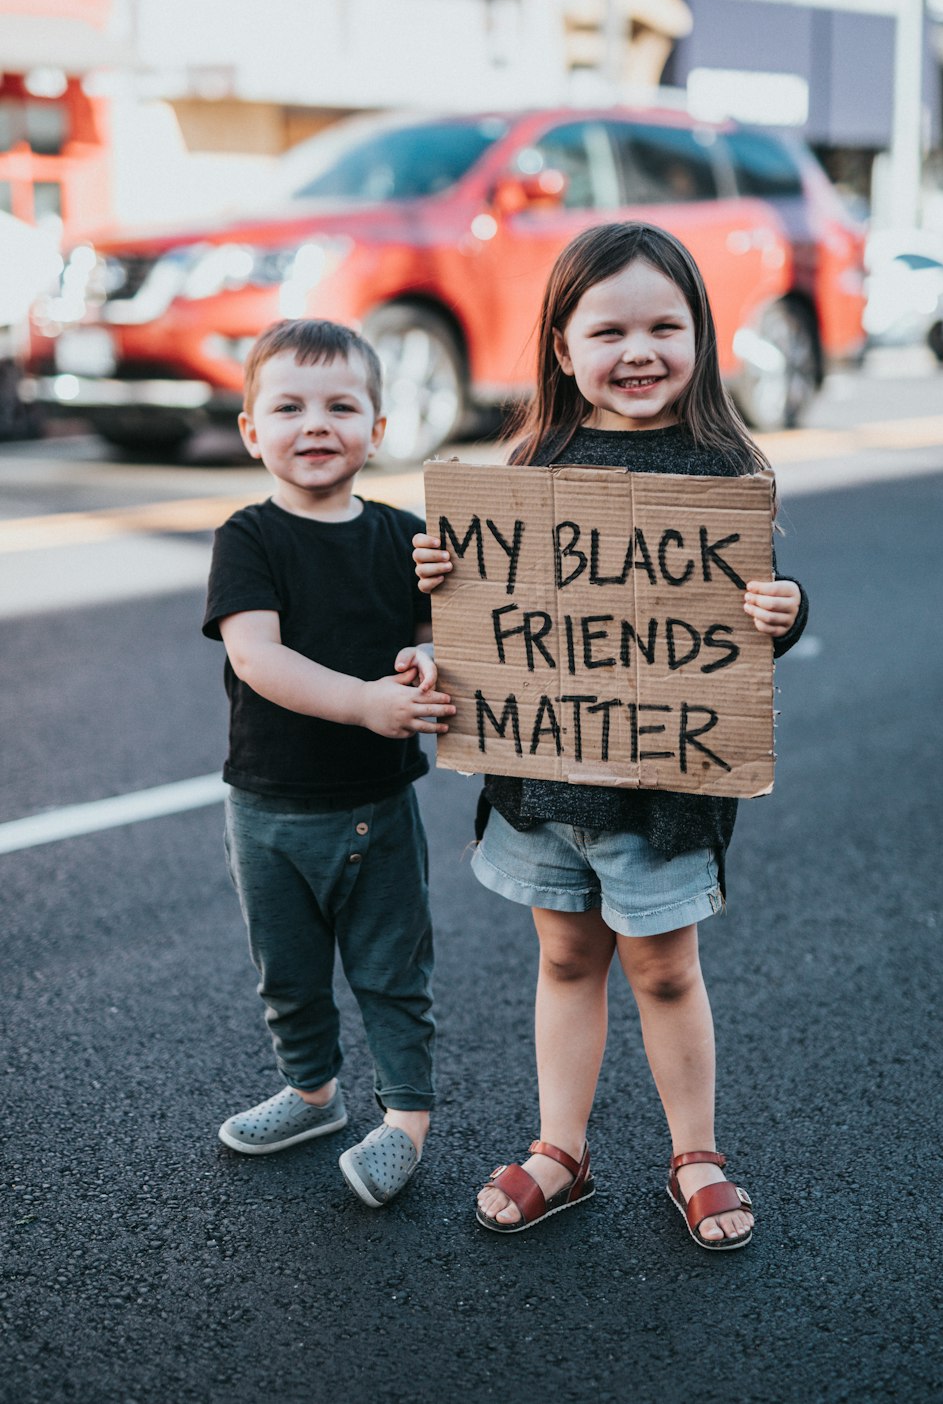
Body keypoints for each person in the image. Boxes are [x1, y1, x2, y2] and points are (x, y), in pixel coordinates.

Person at [413, 222, 808, 1247]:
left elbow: (753, 616)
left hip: (664, 790)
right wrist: (439, 589)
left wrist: (785, 609)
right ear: (561, 347)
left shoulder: (724, 467)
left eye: (664, 327)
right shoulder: (529, 463)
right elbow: (496, 621)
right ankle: (563, 1148)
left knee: (665, 967)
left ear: (701, 336)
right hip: (542, 783)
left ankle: (695, 1152)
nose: (640, 352)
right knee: (564, 958)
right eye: (610, 330)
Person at [203, 318, 455, 1208]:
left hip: (377, 806)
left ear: (378, 429)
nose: (316, 425)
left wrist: (426, 665)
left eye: (342, 406)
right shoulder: (248, 538)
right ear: (252, 430)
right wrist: (364, 701)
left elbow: (437, 645)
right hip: (266, 807)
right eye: (290, 407)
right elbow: (256, 659)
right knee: (290, 972)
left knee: (393, 971)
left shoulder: (404, 536)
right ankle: (313, 1093)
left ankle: (406, 1122)